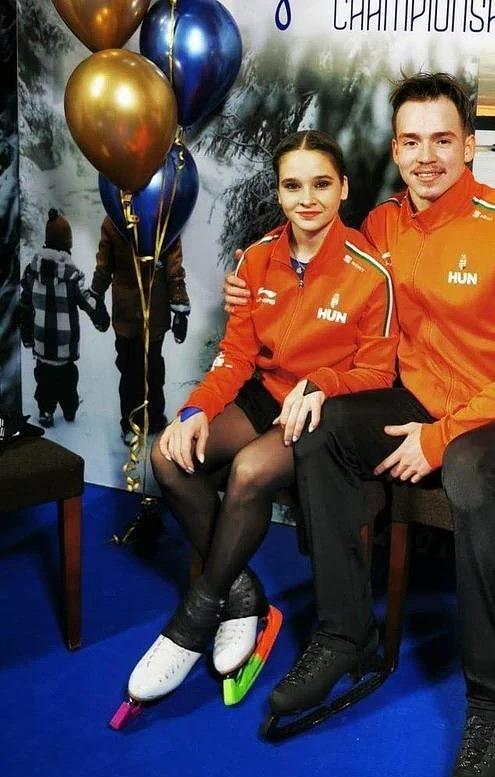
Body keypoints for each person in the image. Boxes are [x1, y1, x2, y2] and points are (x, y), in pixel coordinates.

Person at [224, 74, 495, 777]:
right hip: (426, 400)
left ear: (469, 145)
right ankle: (343, 635)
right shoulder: (380, 226)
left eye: (442, 139)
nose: (427, 157)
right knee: (323, 427)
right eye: (412, 141)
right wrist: (247, 295)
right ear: (394, 150)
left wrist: (440, 436)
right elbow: (317, 282)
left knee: (469, 469)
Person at [114, 130, 397, 720]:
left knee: (248, 472)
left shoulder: (371, 272)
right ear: (279, 192)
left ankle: (192, 622)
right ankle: (243, 596)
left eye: (321, 184)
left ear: (344, 189)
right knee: (167, 455)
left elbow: (378, 372)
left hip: (317, 412)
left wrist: (324, 383)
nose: (307, 199)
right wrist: (196, 409)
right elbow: (237, 355)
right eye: (293, 185)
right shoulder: (257, 259)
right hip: (264, 397)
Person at [88, 217, 190, 444]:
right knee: (146, 368)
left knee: (138, 369)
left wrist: (96, 294)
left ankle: (142, 421)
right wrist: (179, 306)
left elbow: (104, 267)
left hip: (138, 312)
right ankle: (144, 420)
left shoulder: (118, 218)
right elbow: (174, 268)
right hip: (145, 312)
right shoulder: (162, 217)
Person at [19, 208, 108, 427]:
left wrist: (27, 334)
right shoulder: (71, 278)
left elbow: (25, 306)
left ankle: (45, 410)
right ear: (67, 245)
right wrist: (99, 315)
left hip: (42, 346)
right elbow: (87, 301)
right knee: (68, 382)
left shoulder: (32, 273)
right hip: (65, 348)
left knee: (44, 381)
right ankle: (69, 410)